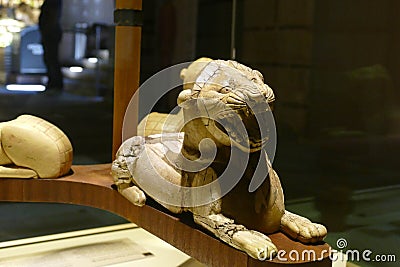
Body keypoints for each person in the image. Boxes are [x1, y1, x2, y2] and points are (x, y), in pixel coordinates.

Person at [38, 0, 63, 92]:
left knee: (51, 59)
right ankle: (54, 82)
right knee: (50, 59)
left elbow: (52, 17)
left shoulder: (53, 2)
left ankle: (54, 83)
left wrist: (46, 31)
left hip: (50, 33)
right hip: (50, 33)